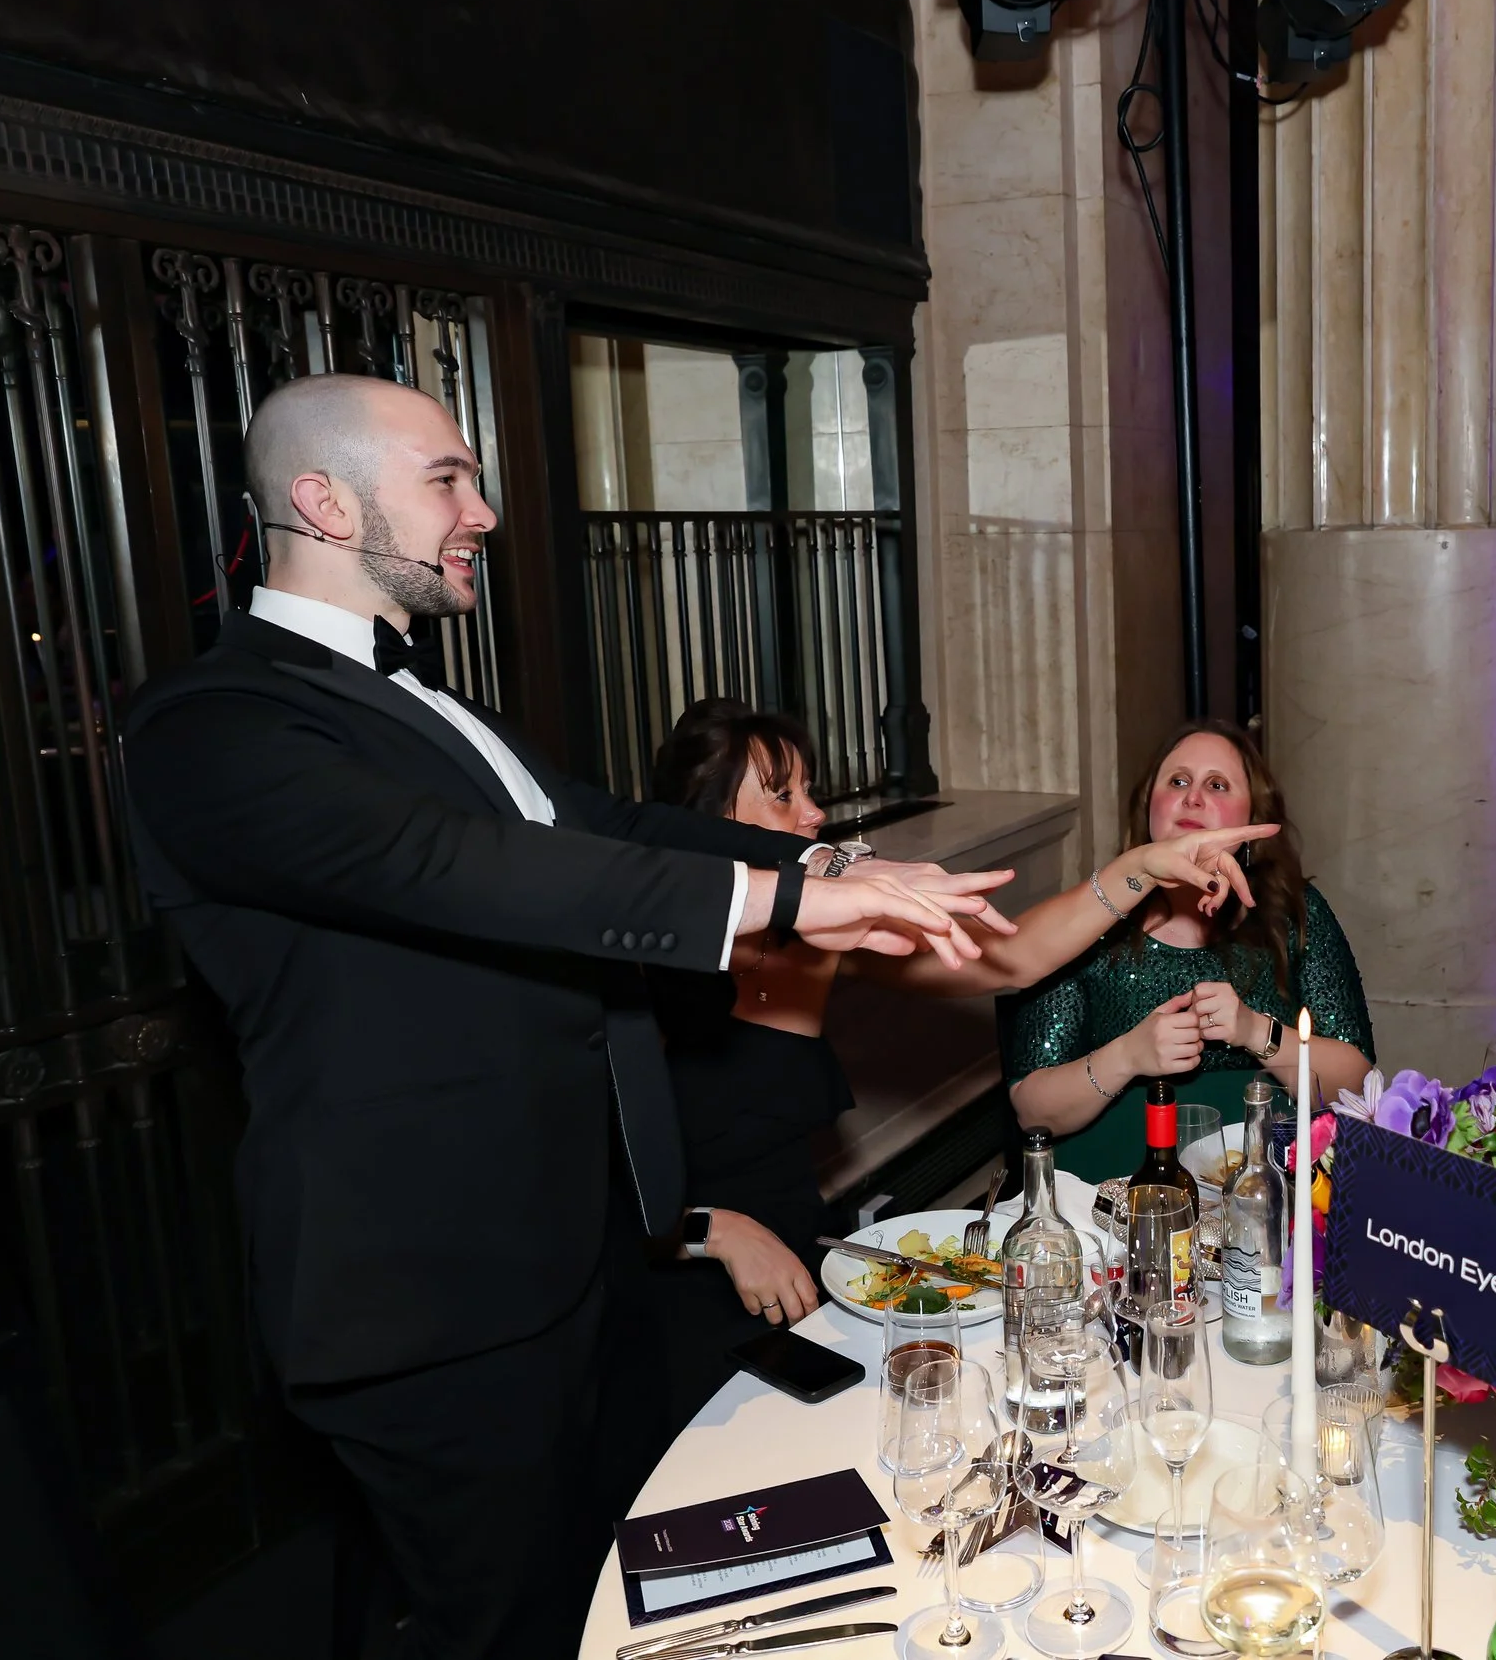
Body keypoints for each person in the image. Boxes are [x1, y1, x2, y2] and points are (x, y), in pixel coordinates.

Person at [119, 374, 1015, 1660]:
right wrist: (784, 903)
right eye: (447, 479)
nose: (483, 511)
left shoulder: (428, 702)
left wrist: (828, 866)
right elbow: (464, 866)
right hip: (427, 1296)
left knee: (612, 1585)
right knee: (515, 1624)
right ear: (323, 502)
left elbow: (612, 829)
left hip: (572, 1253)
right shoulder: (213, 726)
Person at [639, 700, 1268, 1423]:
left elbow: (1011, 957)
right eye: (784, 796)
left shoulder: (822, 934)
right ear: (708, 821)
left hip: (806, 1268)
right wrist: (715, 1230)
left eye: (811, 790)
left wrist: (1142, 867)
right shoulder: (646, 952)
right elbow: (585, 1181)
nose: (814, 814)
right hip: (676, 1275)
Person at [1004, 720, 1375, 1179]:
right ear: (1149, 807)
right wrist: (1128, 1057)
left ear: (1252, 819)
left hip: (1263, 1189)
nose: (1193, 798)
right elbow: (1032, 1112)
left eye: (1217, 785)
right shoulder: (1092, 922)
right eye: (1178, 781)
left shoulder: (1295, 913)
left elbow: (1356, 1086)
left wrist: (1256, 1031)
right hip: (1112, 1195)